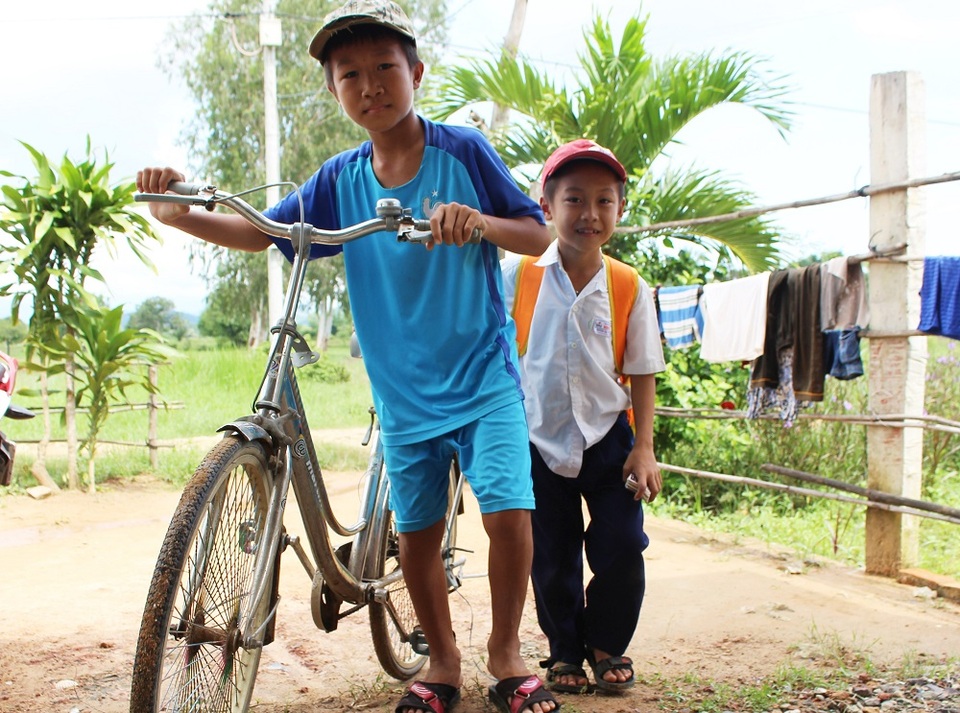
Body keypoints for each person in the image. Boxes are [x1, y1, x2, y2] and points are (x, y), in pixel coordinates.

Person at [137, 2, 560, 712]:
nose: (370, 86)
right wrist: (177, 213)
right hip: (404, 392)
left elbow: (536, 234)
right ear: (334, 91)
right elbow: (269, 233)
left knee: (508, 512)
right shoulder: (338, 179)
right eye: (350, 75)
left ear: (417, 73)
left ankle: (506, 651)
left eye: (385, 69)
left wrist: (476, 221)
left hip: (484, 375)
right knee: (416, 535)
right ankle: (443, 661)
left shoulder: (463, 151)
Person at [501, 139, 666, 695]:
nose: (589, 214)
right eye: (574, 200)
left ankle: (607, 642)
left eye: (603, 201)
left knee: (623, 541)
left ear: (619, 210)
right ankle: (565, 651)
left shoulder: (626, 285)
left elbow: (643, 369)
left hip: (608, 437)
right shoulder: (517, 276)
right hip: (535, 438)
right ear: (546, 206)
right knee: (550, 552)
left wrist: (643, 447)